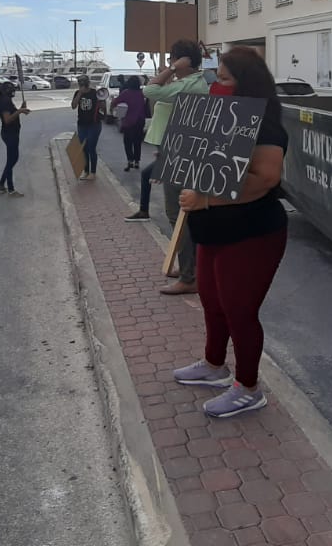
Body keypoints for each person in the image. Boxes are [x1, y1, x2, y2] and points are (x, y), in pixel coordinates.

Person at [172, 47, 289, 418]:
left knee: (239, 310)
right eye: (215, 77)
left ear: (245, 83)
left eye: (223, 78)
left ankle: (248, 388)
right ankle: (214, 365)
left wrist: (206, 199)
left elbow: (266, 179)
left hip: (252, 233)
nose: (215, 84)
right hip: (213, 233)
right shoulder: (218, 117)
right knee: (212, 300)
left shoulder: (266, 124)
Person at [124, 39, 210, 295]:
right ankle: (188, 267)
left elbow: (149, 91)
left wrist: (171, 69)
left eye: (174, 58)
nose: (171, 62)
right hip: (174, 148)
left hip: (182, 152)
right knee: (181, 214)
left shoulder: (189, 84)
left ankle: (189, 275)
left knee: (178, 213)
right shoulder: (187, 84)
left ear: (183, 60)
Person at [0, 81, 29, 196]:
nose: (13, 92)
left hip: (12, 133)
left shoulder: (6, 100)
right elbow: (7, 119)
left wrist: (20, 109)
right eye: (11, 90)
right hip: (9, 134)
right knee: (11, 160)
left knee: (12, 159)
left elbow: (12, 114)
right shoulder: (5, 102)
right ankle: (10, 188)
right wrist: (20, 111)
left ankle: (1, 184)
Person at [113, 76, 147, 171]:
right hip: (140, 121)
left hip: (128, 121)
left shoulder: (126, 93)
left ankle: (130, 161)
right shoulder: (141, 93)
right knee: (137, 142)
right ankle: (137, 161)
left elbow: (116, 102)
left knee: (128, 142)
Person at [71, 75, 102, 181]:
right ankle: (86, 171)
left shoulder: (94, 93)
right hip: (82, 125)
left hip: (94, 124)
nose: (81, 86)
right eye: (80, 84)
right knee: (83, 148)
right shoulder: (77, 93)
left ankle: (93, 172)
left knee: (91, 148)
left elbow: (102, 107)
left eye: (83, 84)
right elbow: (73, 106)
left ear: (87, 83)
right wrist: (79, 93)